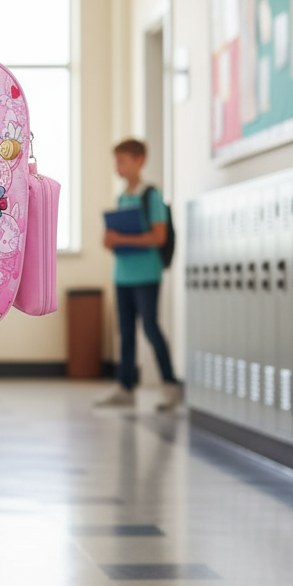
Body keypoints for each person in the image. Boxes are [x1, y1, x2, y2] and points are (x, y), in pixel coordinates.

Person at [95, 138, 180, 410]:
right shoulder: (122, 197)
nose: (117, 167)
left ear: (139, 160)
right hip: (122, 274)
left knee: (151, 328)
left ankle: (170, 384)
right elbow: (117, 237)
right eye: (116, 162)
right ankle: (125, 386)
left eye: (122, 161)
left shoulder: (150, 196)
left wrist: (122, 239)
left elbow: (158, 236)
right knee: (126, 332)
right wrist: (110, 240)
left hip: (146, 274)